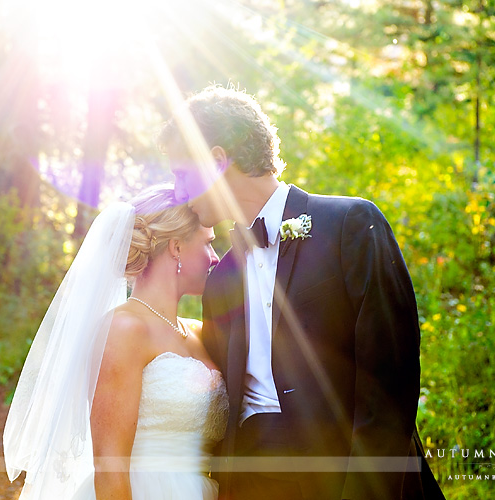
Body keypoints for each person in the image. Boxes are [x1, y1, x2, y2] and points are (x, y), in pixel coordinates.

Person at [159, 85, 445, 500]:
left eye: (183, 175)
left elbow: (390, 381)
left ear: (219, 161)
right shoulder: (220, 281)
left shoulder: (350, 224)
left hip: (345, 474)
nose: (179, 192)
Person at [3, 185, 229, 500]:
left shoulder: (201, 333)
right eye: (208, 244)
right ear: (176, 247)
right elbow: (110, 467)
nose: (216, 258)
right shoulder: (122, 330)